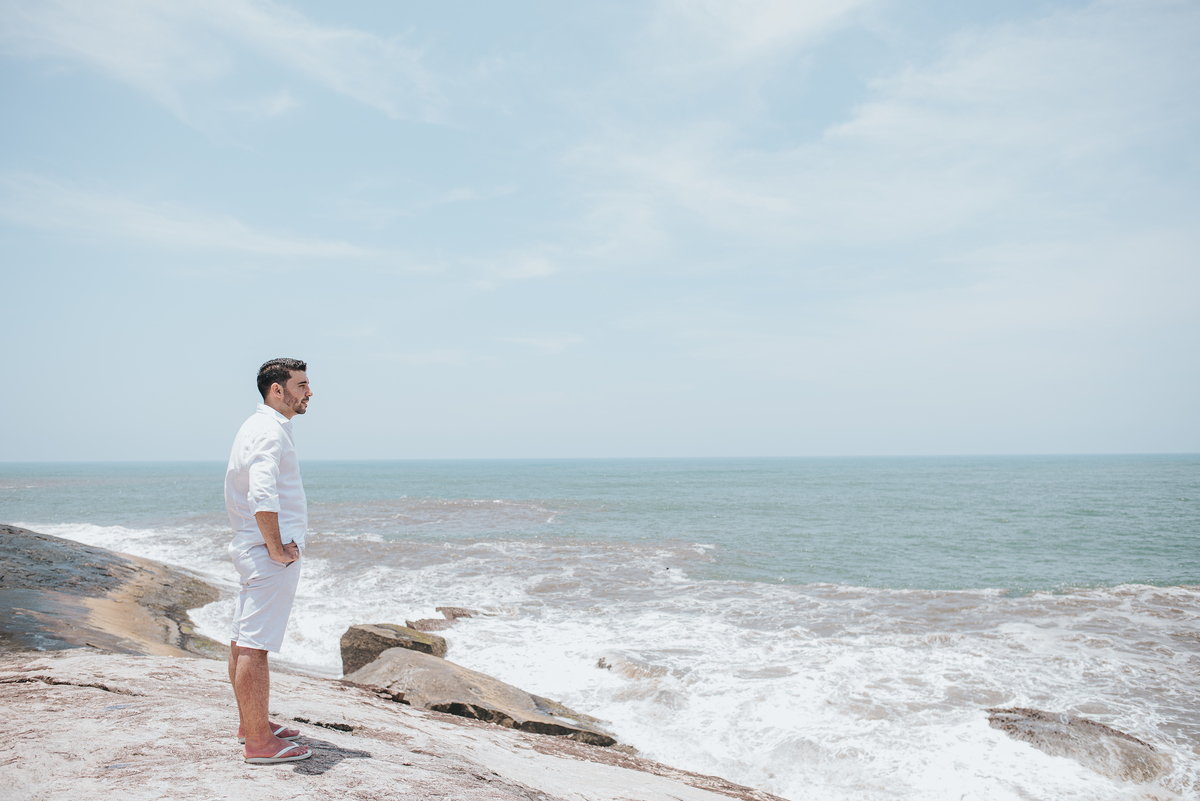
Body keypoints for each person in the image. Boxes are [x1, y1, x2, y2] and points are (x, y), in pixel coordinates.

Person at [223, 358, 314, 764]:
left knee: (244, 639)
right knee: (255, 647)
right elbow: (263, 494)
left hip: (252, 546)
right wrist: (277, 549)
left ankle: (251, 723)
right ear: (277, 390)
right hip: (265, 552)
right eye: (302, 384)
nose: (309, 392)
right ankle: (259, 744)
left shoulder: (257, 426)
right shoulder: (269, 431)